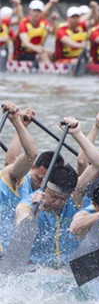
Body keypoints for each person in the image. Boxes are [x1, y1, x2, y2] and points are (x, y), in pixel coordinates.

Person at [13, 118, 99, 268]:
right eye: (54, 197)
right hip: (37, 270)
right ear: (44, 186)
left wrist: (77, 134)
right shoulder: (29, 204)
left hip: (67, 271)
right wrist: (32, 217)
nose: (58, 203)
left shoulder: (75, 196)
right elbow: (20, 222)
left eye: (63, 199)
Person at [0, 102, 38, 253]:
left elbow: (29, 155)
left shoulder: (16, 179)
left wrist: (18, 122)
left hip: (11, 255)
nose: (41, 181)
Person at [14, 0, 57, 64]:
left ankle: (52, 67)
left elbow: (53, 32)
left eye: (38, 11)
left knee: (51, 53)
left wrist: (54, 21)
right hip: (22, 53)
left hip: (36, 53)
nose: (36, 13)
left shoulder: (44, 23)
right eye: (34, 11)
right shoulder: (23, 24)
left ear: (41, 13)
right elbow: (26, 43)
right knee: (44, 55)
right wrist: (41, 50)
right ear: (30, 11)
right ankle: (50, 71)